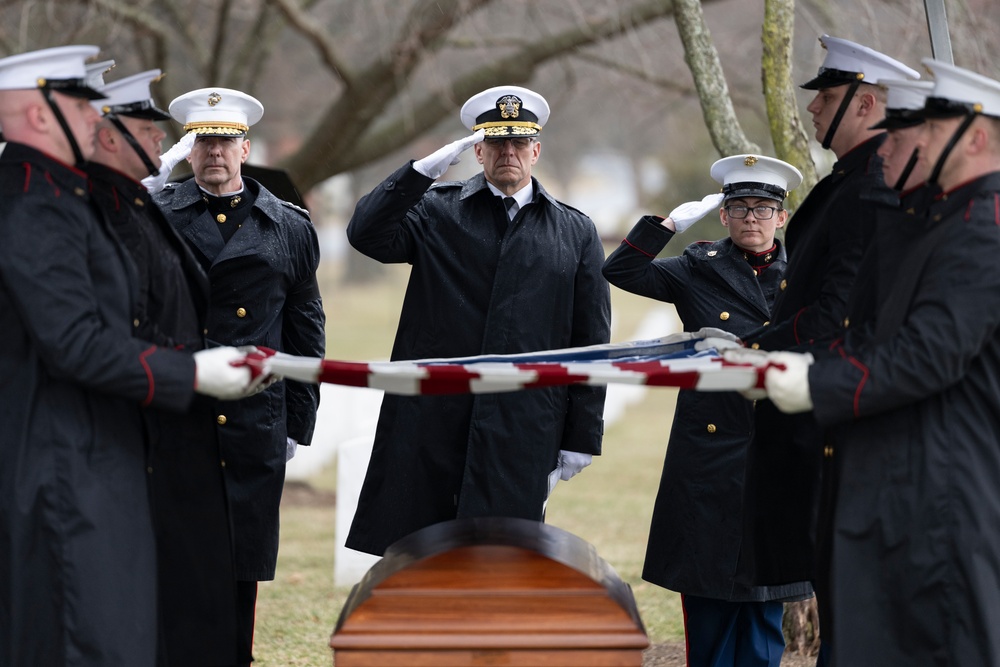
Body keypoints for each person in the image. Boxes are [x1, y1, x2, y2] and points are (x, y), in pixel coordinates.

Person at [0, 46, 252, 666]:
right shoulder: (34, 202)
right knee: (83, 638)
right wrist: (189, 371)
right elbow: (75, 341)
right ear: (37, 115)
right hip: (61, 458)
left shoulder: (61, 195)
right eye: (83, 106)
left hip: (95, 449)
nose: (96, 119)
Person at [758, 59, 1000, 667]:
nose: (894, 144)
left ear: (974, 137)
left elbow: (928, 354)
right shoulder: (942, 221)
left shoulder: (983, 229)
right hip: (905, 479)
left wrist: (815, 381)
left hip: (944, 488)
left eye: (913, 132)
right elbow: (868, 333)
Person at [345, 85, 611, 556]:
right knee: (421, 559)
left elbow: (591, 339)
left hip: (523, 424)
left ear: (536, 150)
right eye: (496, 143)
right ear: (478, 150)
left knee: (503, 563)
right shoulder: (435, 209)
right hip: (431, 419)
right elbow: (367, 234)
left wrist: (581, 436)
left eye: (518, 143)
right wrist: (418, 174)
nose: (508, 153)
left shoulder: (575, 230)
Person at [735, 38, 919, 656]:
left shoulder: (870, 184)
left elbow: (835, 317)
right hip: (822, 420)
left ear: (866, 104)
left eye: (828, 98)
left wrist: (753, 345)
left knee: (853, 610)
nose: (812, 111)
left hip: (835, 425)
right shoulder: (851, 179)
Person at [603, 155, 811, 667]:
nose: (752, 219)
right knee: (709, 595)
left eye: (764, 209)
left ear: (781, 218)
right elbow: (620, 269)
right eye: (739, 208)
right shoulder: (698, 267)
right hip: (709, 451)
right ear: (723, 216)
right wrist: (669, 225)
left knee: (765, 605)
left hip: (778, 447)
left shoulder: (805, 274)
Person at [153, 86, 326, 667]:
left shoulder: (290, 227)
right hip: (181, 412)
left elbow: (306, 329)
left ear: (246, 148)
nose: (215, 153)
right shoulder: (156, 216)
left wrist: (299, 421)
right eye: (204, 142)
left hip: (256, 416)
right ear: (189, 150)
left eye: (226, 141)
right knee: (177, 558)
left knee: (240, 564)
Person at [85, 69, 240, 666]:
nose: (162, 143)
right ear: (107, 135)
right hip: (141, 423)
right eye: (148, 131)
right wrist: (193, 375)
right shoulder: (121, 209)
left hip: (182, 428)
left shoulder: (137, 206)